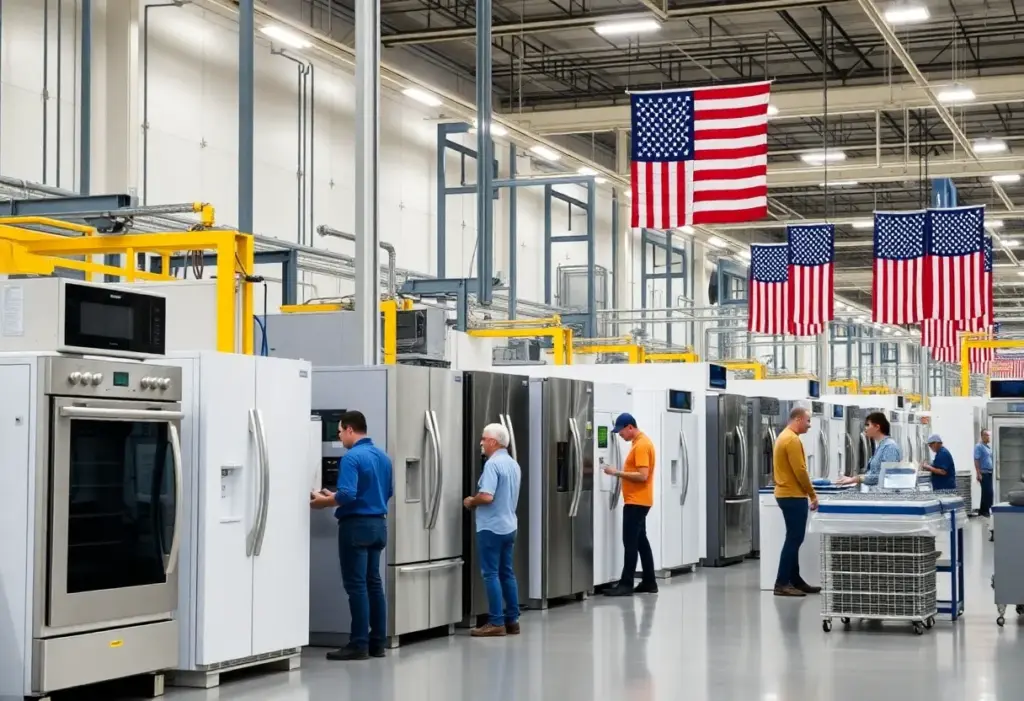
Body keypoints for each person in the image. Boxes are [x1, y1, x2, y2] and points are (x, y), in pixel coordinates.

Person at [309, 410, 393, 661]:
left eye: (340, 432)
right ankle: (377, 643)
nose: (340, 438)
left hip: (355, 526)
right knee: (374, 584)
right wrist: (334, 496)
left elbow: (346, 495)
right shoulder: (384, 457)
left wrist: (324, 502)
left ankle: (358, 644)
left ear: (349, 429)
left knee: (356, 586)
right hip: (378, 524)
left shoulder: (352, 457)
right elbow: (388, 490)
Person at [463, 423, 522, 638]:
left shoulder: (492, 464)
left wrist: (472, 500)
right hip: (509, 526)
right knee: (507, 572)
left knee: (490, 574)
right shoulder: (513, 464)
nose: (481, 442)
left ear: (493, 442)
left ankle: (496, 622)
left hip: (491, 527)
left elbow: (487, 496)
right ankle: (512, 621)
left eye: (483, 438)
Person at [602, 413, 658, 597]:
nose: (620, 435)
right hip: (641, 500)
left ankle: (626, 584)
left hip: (636, 501)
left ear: (630, 427)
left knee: (630, 543)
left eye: (621, 431)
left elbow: (643, 475)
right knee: (641, 542)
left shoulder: (641, 445)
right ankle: (650, 581)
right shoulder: (640, 443)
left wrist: (616, 472)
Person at [772, 407, 820, 597]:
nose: (809, 425)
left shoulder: (783, 436)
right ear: (798, 419)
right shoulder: (792, 439)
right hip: (793, 495)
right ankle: (782, 582)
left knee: (793, 538)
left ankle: (795, 580)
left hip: (785, 493)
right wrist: (812, 494)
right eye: (808, 421)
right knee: (794, 539)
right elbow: (800, 470)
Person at [838, 411, 902, 487]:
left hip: (884, 495)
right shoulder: (881, 446)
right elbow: (874, 473)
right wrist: (853, 479)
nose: (865, 428)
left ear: (877, 427)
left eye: (868, 425)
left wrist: (857, 479)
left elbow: (886, 476)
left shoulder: (890, 447)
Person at [975, 428, 994, 518]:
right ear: (982, 436)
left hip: (989, 472)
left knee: (989, 493)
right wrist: (978, 473)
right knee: (986, 492)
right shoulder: (979, 446)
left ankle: (985, 510)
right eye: (987, 435)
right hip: (984, 472)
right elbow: (976, 460)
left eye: (989, 435)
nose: (989, 437)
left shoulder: (988, 447)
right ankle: (984, 511)